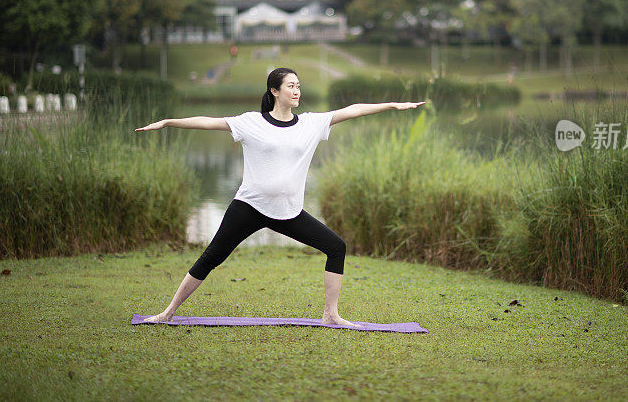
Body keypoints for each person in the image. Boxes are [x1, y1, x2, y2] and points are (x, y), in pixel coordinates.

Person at [134, 67, 424, 326]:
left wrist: (393, 105)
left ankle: (331, 314)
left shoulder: (312, 123)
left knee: (336, 247)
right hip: (249, 206)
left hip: (289, 211)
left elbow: (355, 110)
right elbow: (208, 122)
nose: (297, 91)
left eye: (299, 86)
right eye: (291, 86)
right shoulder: (251, 122)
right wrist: (168, 122)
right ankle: (168, 312)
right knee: (211, 257)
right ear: (275, 91)